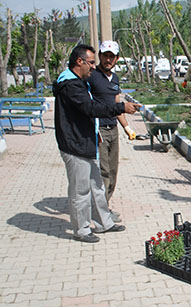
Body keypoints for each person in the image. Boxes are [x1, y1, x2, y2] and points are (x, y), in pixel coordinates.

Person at [53, 44, 141, 243]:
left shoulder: (78, 81)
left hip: (86, 140)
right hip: (74, 144)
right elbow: (90, 107)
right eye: (91, 62)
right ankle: (82, 230)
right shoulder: (70, 85)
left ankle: (104, 223)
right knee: (80, 190)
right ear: (80, 61)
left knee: (97, 184)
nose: (93, 67)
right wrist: (121, 107)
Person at [88, 40, 136, 223]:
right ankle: (101, 212)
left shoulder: (114, 79)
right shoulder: (92, 77)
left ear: (116, 58)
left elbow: (117, 104)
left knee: (113, 171)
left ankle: (104, 207)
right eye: (105, 55)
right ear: (100, 56)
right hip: (98, 129)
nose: (108, 59)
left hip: (113, 129)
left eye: (112, 56)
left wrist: (127, 127)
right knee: (104, 172)